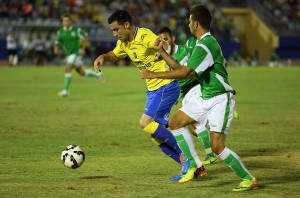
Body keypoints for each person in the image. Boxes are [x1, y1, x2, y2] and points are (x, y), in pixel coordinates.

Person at [141, 5, 258, 191]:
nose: (188, 24)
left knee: (217, 147)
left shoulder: (206, 45)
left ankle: (248, 178)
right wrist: (162, 53)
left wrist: (154, 75)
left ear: (196, 23)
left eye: (189, 21)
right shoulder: (202, 44)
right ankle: (195, 164)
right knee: (176, 122)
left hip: (220, 98)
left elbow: (186, 73)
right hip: (205, 96)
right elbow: (180, 67)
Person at [93, 10, 189, 178]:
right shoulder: (124, 43)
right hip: (153, 90)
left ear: (127, 25)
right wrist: (102, 57)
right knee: (154, 135)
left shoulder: (144, 35)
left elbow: (159, 43)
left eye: (116, 30)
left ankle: (190, 159)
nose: (114, 34)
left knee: (145, 122)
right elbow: (114, 54)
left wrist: (161, 47)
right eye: (112, 31)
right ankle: (186, 167)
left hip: (165, 86)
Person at [158, 27, 217, 168]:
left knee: (195, 122)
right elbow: (172, 80)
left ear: (172, 39)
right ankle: (217, 113)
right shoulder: (164, 60)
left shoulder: (186, 49)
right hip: (185, 93)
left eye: (166, 39)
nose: (164, 43)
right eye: (161, 40)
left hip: (196, 87)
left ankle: (210, 154)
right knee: (192, 128)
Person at [54, 14, 104, 97]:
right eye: (64, 21)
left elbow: (85, 38)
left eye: (67, 21)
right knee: (82, 73)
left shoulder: (76, 30)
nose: (66, 22)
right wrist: (55, 49)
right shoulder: (60, 32)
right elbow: (57, 42)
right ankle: (98, 74)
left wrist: (83, 49)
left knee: (67, 69)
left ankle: (66, 91)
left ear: (70, 22)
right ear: (62, 22)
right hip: (69, 54)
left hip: (76, 53)